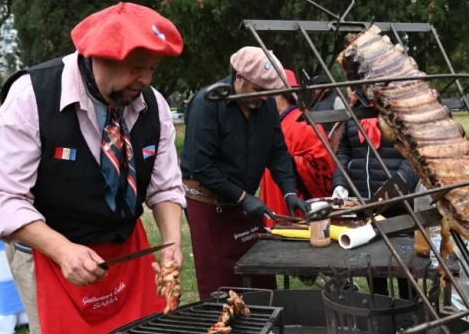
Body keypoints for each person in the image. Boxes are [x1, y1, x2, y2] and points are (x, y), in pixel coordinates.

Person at [0, 2, 186, 334]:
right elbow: (3, 196)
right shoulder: (32, 95)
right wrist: (62, 250)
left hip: (127, 250)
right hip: (48, 255)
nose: (145, 78)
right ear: (98, 55)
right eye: (137, 64)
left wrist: (172, 240)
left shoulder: (153, 105)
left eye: (153, 67)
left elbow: (165, 184)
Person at [180, 46, 309, 300]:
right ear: (238, 77)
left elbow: (278, 152)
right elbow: (201, 165)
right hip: (209, 206)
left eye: (267, 91)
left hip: (244, 206)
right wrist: (242, 197)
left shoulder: (267, 107)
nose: (263, 97)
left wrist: (289, 191)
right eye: (258, 89)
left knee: (261, 278)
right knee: (221, 289)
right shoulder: (207, 103)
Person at [331, 87, 420, 298]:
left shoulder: (401, 110)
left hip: (399, 206)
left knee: (404, 267)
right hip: (363, 204)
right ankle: (380, 312)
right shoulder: (355, 112)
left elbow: (414, 155)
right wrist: (340, 182)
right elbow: (345, 150)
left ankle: (409, 313)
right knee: (372, 266)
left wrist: (397, 185)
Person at [259, 69, 334, 228]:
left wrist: (289, 164)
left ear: (284, 94)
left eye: (270, 94)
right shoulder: (274, 123)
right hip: (274, 196)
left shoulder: (304, 122)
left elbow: (323, 164)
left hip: (295, 204)